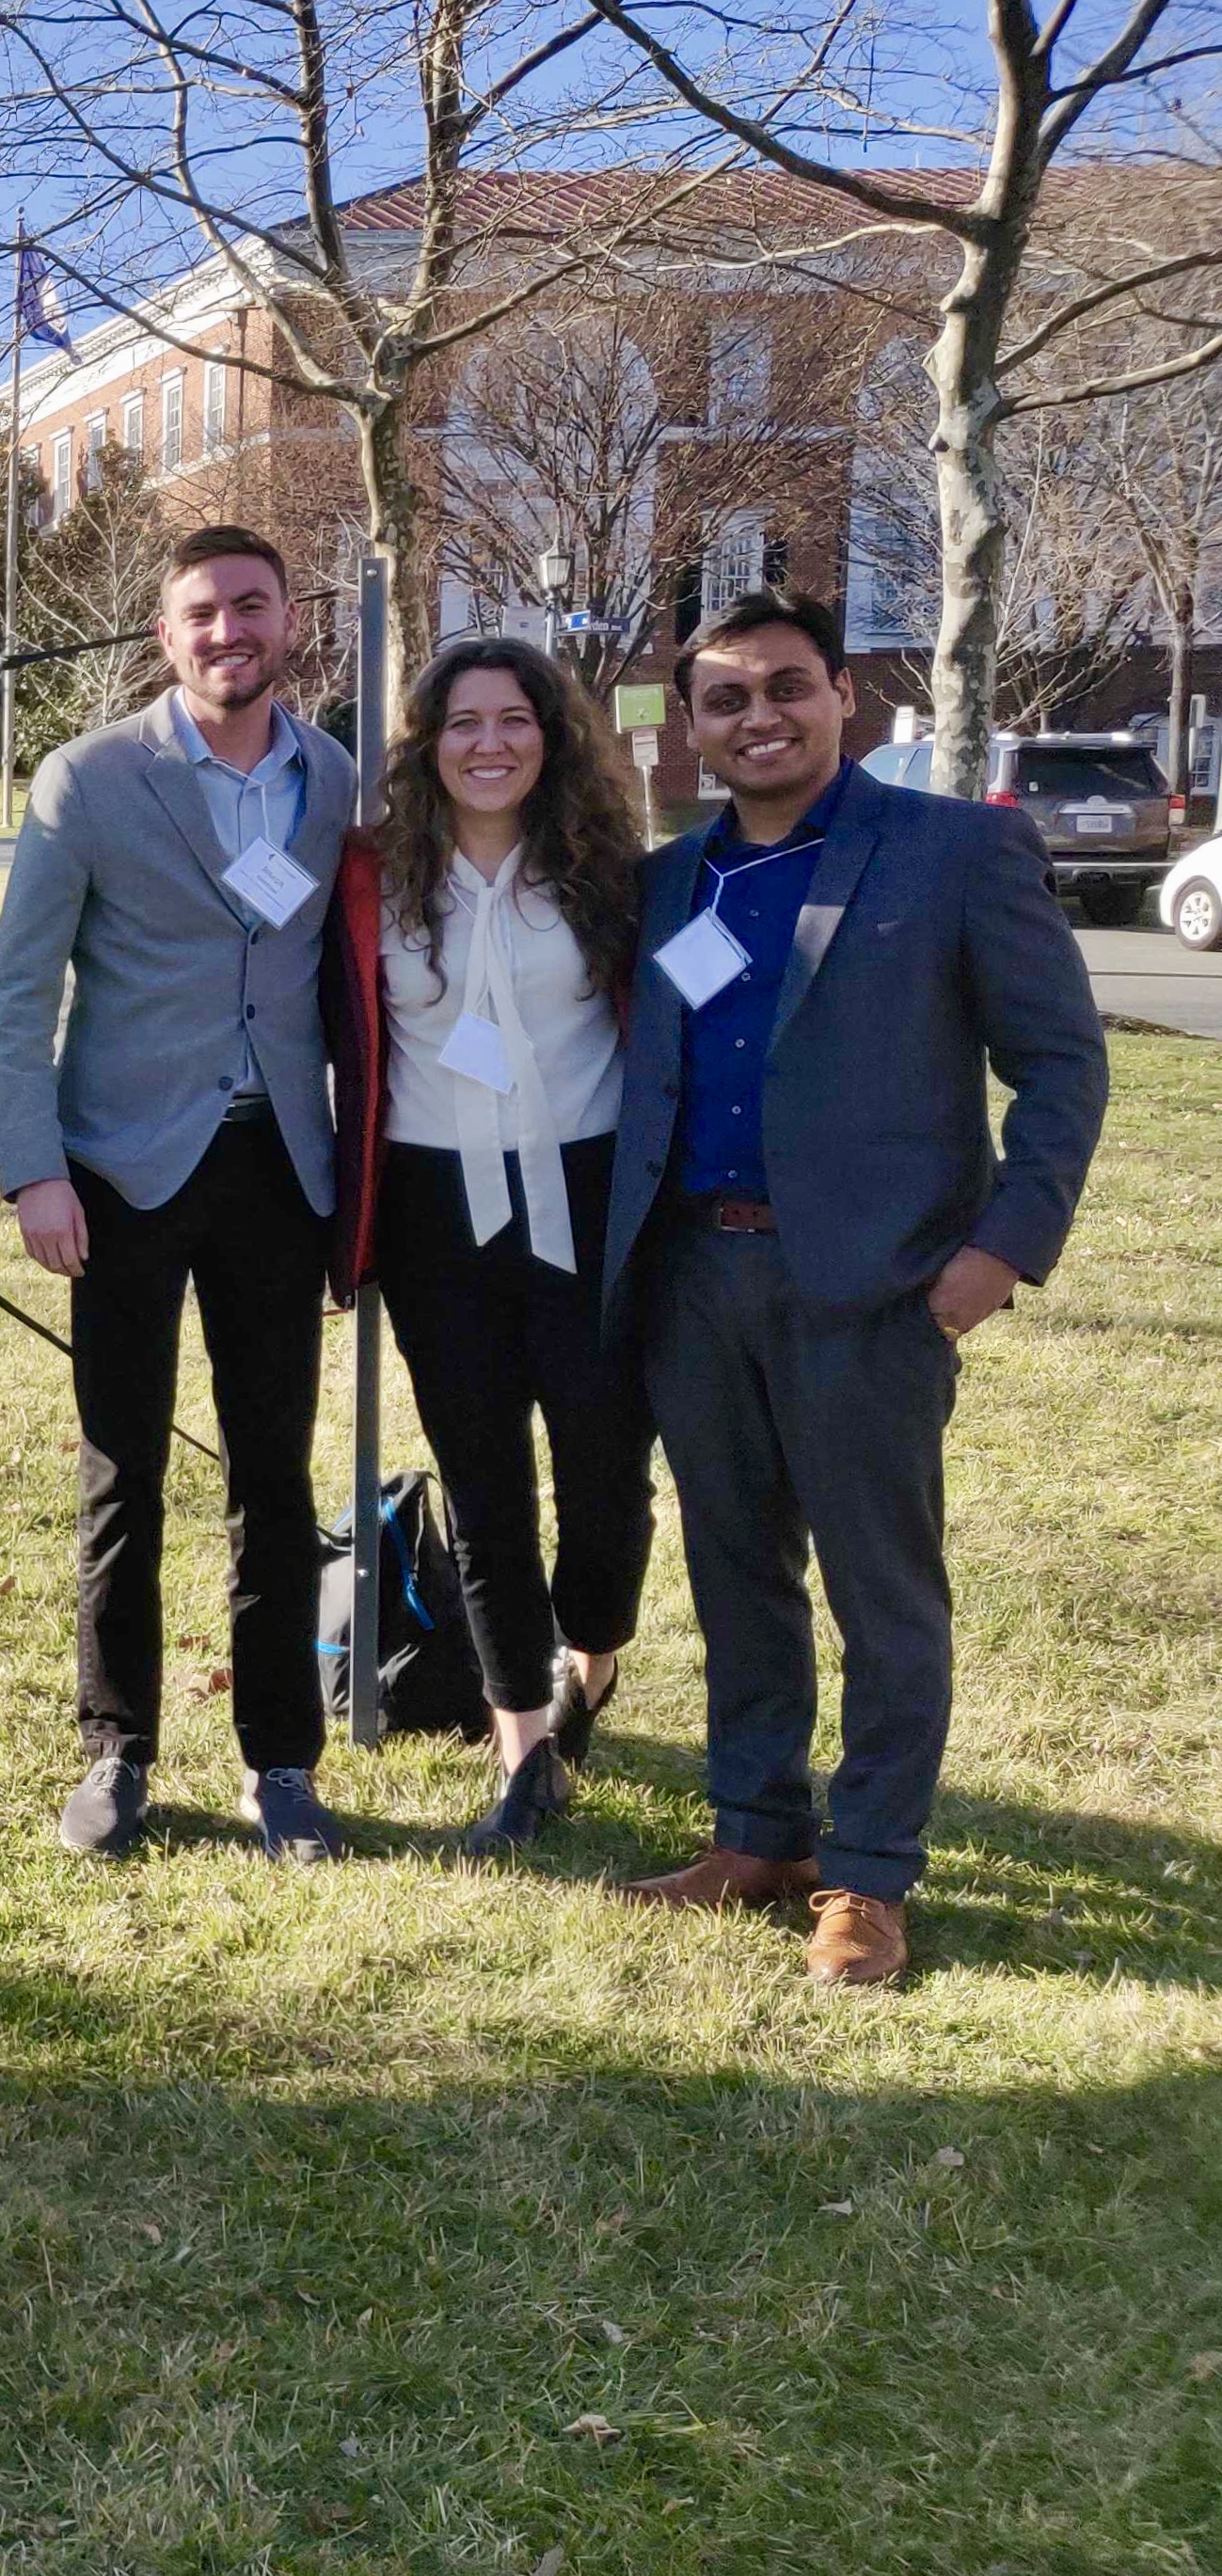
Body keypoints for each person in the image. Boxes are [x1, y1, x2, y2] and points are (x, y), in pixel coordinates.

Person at [597, 589, 1108, 1984]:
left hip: (875, 1290)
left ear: (845, 698)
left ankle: (870, 1874)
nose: (757, 716)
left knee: (883, 1592)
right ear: (692, 728)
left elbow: (1060, 1063)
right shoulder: (666, 882)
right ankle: (757, 1831)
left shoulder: (956, 852)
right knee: (734, 1572)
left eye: (784, 687)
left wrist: (1000, 1251)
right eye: (725, 699)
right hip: (692, 1276)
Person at [0, 525, 360, 1862]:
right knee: (121, 1473)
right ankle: (117, 1752)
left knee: (273, 1473)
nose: (226, 632)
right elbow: (18, 990)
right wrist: (33, 1168)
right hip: (120, 1174)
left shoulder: (335, 782)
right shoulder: (87, 782)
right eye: (200, 613)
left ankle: (281, 1763)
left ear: (289, 620)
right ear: (165, 635)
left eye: (249, 606)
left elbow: (352, 982)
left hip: (281, 1175)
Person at [325, 639, 655, 1859]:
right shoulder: (370, 876)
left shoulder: (607, 872)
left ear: (550, 736)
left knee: (607, 1476)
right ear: (426, 743)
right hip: (433, 1211)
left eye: (513, 719)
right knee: (482, 1487)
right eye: (462, 723)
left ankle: (592, 1660)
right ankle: (522, 1748)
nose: (488, 743)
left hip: (585, 1195)